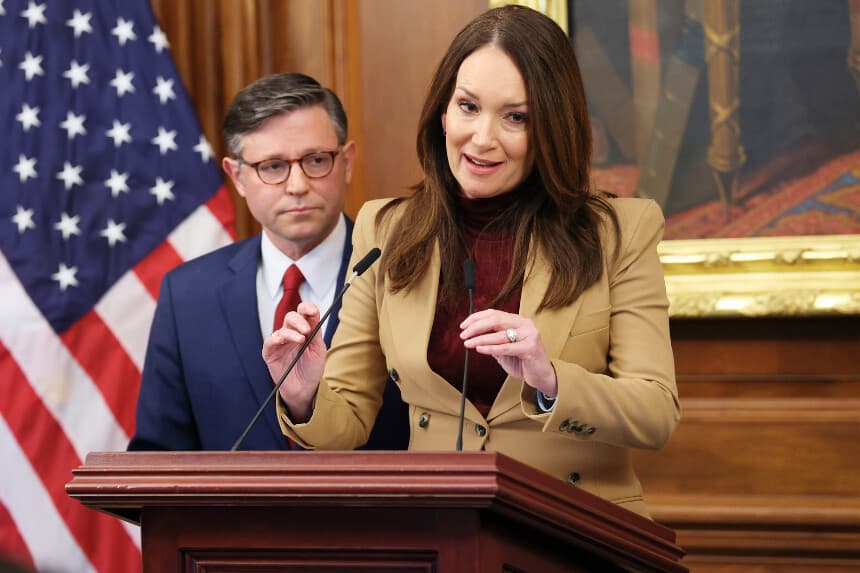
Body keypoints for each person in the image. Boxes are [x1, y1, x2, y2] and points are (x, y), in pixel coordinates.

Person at [264, 6, 680, 517]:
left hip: (577, 529)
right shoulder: (385, 228)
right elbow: (346, 421)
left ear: (552, 128)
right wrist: (304, 394)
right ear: (443, 112)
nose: (482, 138)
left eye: (515, 117)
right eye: (468, 106)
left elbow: (655, 413)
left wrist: (550, 379)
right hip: (441, 530)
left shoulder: (620, 231)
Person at [128, 73, 408, 451]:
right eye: (273, 166)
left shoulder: (404, 276)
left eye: (316, 160)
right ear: (238, 176)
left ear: (347, 161)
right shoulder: (188, 295)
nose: (297, 185)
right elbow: (159, 457)